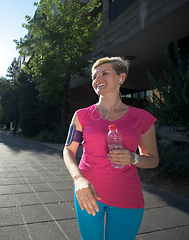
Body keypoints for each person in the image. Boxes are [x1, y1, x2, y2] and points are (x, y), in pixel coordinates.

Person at [63, 57, 159, 240]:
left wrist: (134, 158)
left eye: (104, 73)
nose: (97, 79)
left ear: (121, 77)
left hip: (127, 197)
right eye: (94, 76)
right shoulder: (82, 115)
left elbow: (153, 159)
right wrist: (79, 180)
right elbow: (68, 150)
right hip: (87, 193)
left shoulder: (142, 117)